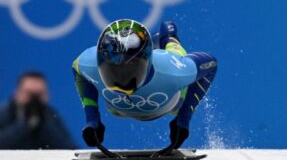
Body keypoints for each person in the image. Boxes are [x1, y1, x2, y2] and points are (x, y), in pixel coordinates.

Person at [72, 19, 217, 152]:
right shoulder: (88, 63)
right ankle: (160, 38)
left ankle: (168, 36)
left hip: (172, 101)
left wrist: (184, 117)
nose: (121, 78)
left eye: (130, 68)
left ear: (147, 63)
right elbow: (77, 69)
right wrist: (92, 119)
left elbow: (211, 64)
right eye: (112, 68)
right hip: (131, 105)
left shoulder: (174, 72)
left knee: (173, 47)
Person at [0, 71, 77, 149]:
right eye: (29, 94)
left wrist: (42, 123)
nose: (34, 100)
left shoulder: (50, 115)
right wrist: (26, 125)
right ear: (17, 93)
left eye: (39, 94)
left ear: (47, 95)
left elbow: (70, 149)